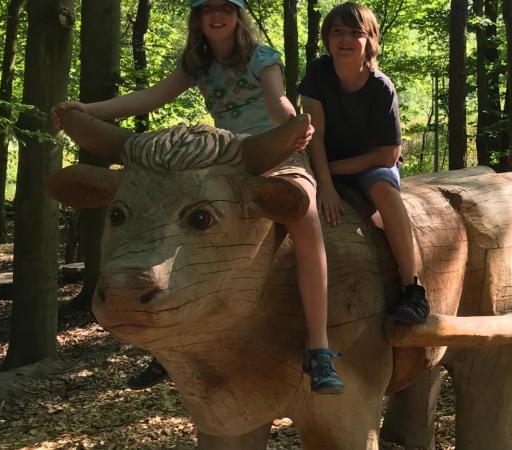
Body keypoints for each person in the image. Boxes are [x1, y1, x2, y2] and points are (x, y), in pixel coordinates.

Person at [53, 0, 344, 395]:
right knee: (167, 215)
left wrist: (291, 127)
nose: (217, 15)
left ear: (238, 15)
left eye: (226, 8)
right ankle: (167, 343)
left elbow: (277, 101)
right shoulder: (198, 63)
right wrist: (90, 109)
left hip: (274, 154)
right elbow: (151, 97)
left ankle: (319, 344)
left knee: (304, 213)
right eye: (208, 10)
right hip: (224, 160)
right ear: (199, 20)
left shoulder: (262, 57)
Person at [298, 2, 429, 325]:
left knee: (385, 189)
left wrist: (330, 174)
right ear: (327, 39)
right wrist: (324, 184)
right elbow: (315, 132)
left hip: (369, 163)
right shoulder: (318, 72)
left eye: (355, 33)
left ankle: (412, 288)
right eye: (337, 32)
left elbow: (388, 154)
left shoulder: (381, 87)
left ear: (370, 40)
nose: (345, 39)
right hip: (321, 158)